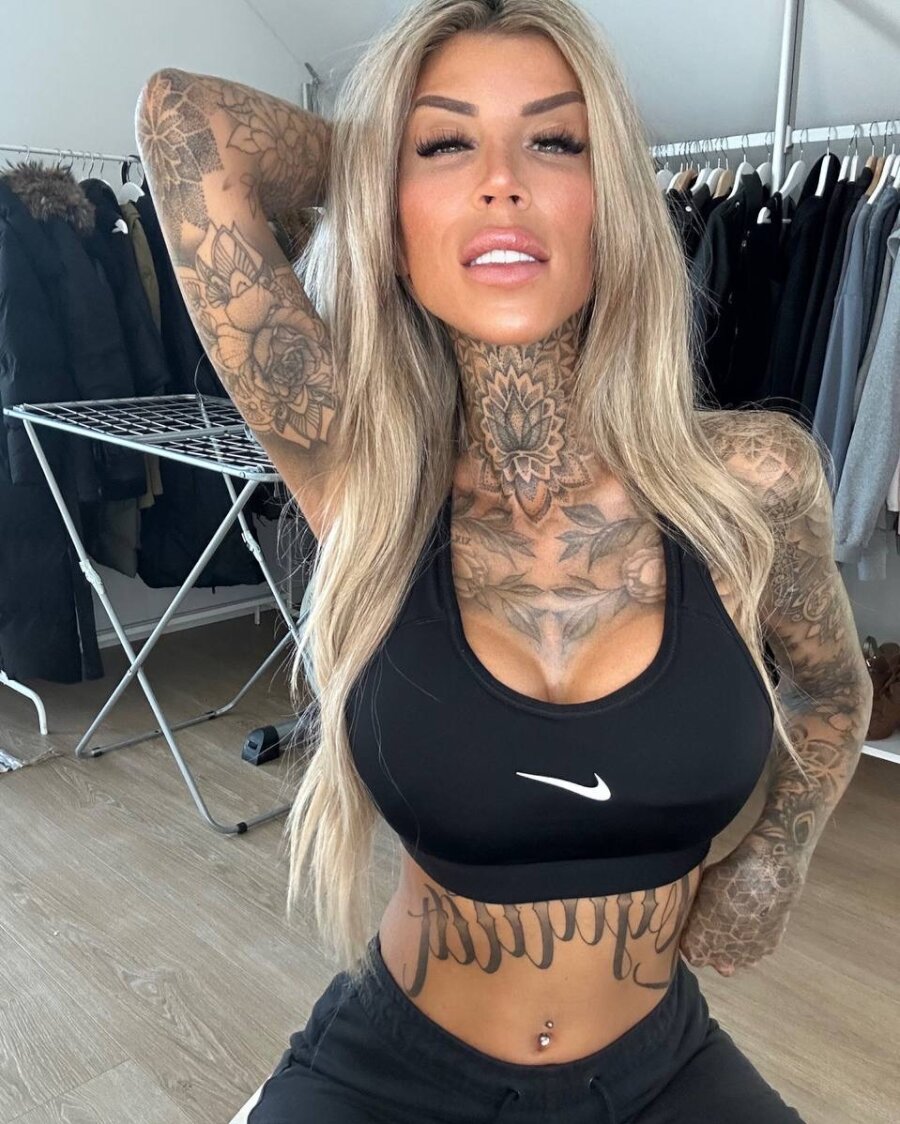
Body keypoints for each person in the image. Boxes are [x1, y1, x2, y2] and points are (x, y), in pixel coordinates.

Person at [136, 1, 873, 1120]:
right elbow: (185, 124)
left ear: (611, 201)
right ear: (390, 216)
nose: (500, 183)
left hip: (663, 1066)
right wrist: (385, 170)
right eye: (446, 145)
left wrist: (780, 849)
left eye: (555, 142)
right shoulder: (361, 472)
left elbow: (832, 688)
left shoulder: (753, 483)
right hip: (390, 1071)